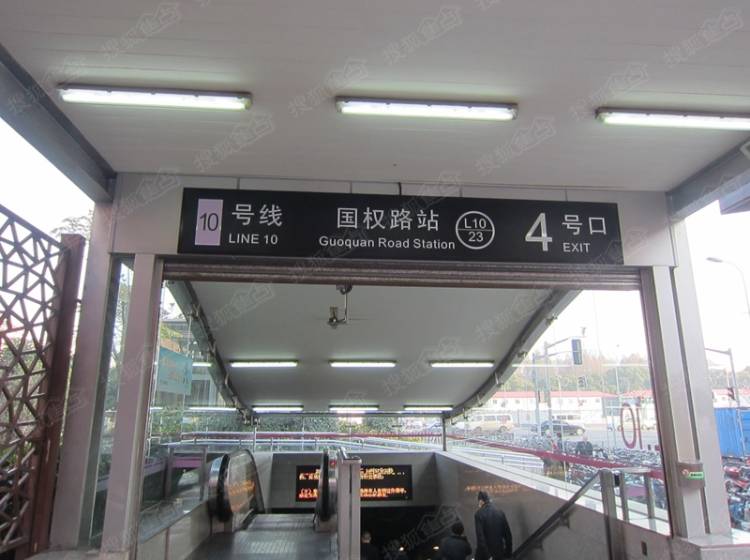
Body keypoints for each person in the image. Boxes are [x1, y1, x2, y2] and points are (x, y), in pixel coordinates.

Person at [474, 491, 513, 560]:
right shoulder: (500, 512)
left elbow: (480, 538)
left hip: (486, 555)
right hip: (500, 553)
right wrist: (508, 552)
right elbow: (508, 535)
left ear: (481, 501)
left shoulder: (479, 514)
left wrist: (488, 556)